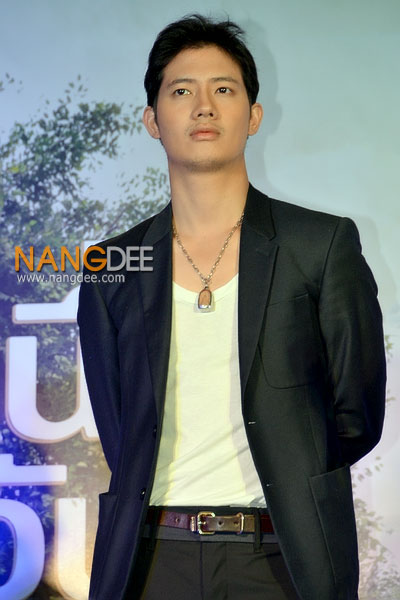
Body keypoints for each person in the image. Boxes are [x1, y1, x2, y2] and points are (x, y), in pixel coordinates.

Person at [77, 14, 386, 600]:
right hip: (150, 560)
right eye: (181, 91)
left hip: (283, 559)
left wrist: (293, 473)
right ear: (152, 120)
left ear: (254, 115)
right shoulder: (111, 266)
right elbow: (119, 428)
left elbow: (357, 414)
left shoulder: (319, 245)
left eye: (224, 89)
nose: (204, 107)